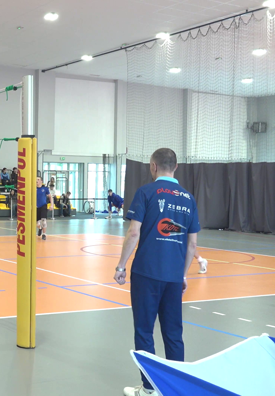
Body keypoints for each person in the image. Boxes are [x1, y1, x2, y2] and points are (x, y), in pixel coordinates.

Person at [114, 148, 200, 396]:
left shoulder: (145, 192)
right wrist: (182, 274)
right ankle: (176, 387)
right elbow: (192, 245)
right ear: (176, 167)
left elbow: (133, 233)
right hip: (173, 277)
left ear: (153, 166)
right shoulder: (189, 198)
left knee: (144, 331)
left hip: (146, 274)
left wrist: (121, 265)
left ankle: (150, 388)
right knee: (173, 333)